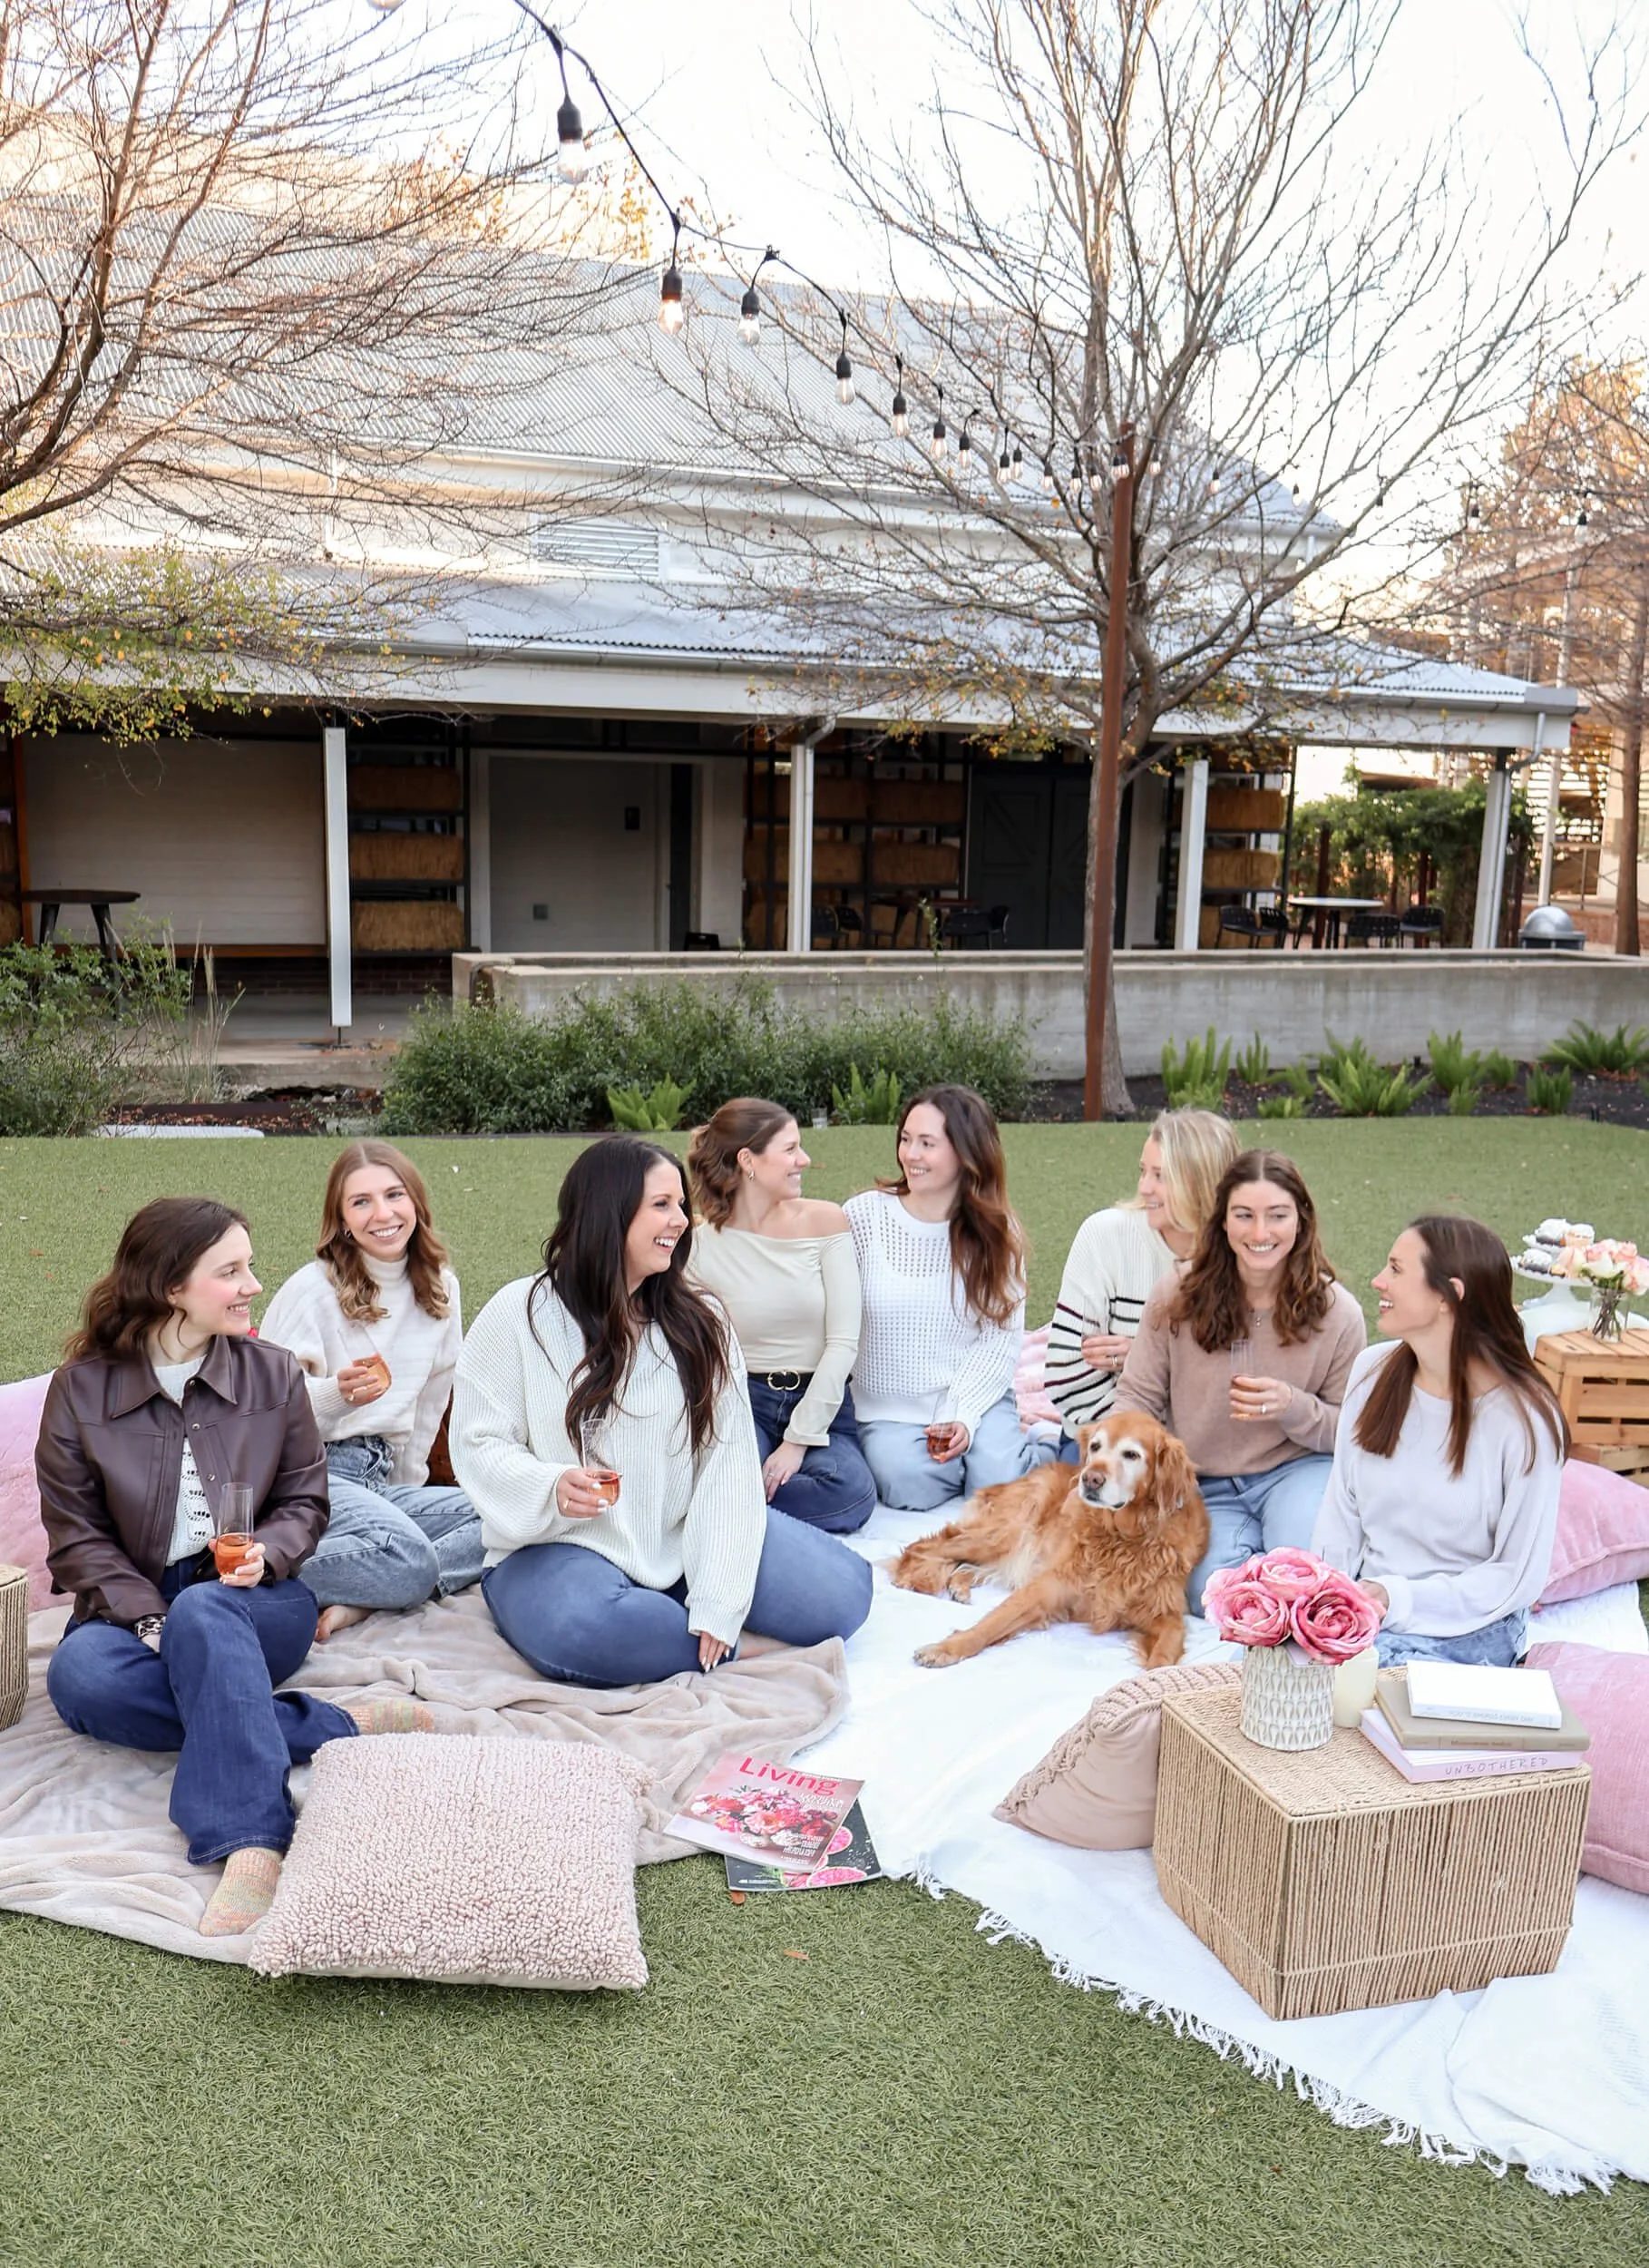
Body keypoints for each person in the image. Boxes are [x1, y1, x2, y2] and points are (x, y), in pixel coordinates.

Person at [36, 1198, 427, 1940]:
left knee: (206, 1610)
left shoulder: (271, 1375)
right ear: (171, 1286)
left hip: (257, 1602)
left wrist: (269, 1555)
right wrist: (145, 1613)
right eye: (231, 1272)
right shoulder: (82, 1390)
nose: (253, 1285)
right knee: (80, 1680)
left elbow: (305, 1503)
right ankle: (322, 1724)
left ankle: (250, 1841)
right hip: (132, 1606)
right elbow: (76, 1536)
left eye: (249, 1266)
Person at [450, 1137, 873, 1688]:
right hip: (558, 1545)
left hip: (681, 1531)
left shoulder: (703, 1320)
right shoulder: (518, 1313)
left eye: (680, 1204)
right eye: (661, 1205)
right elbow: (479, 1443)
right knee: (596, 1629)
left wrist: (720, 1595)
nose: (681, 1220)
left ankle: (690, 1621)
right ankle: (689, 1635)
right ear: (608, 1211)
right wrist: (550, 1485)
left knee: (843, 1595)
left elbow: (727, 1463)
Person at [1312, 1215, 1567, 1667]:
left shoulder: (1526, 1420)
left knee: (1369, 1707)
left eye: (1395, 1269)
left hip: (1470, 1629)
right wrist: (1322, 1605)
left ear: (1449, 1295)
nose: (1377, 1281)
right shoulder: (1371, 1372)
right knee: (1270, 1673)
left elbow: (1516, 1578)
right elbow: (1341, 1514)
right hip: (1368, 1615)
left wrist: (1395, 1597)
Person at [1119, 1149, 1366, 1613]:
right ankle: (1250, 1558)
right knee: (1206, 1596)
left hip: (1296, 1471)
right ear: (1223, 1222)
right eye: (1244, 1216)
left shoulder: (1339, 1313)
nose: (1260, 1233)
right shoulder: (1176, 1295)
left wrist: (1294, 1406)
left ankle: (1278, 1555)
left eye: (1277, 1216)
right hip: (1204, 1482)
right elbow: (1137, 1396)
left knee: (1306, 1577)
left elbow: (1349, 1432)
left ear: (1301, 1221)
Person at [259, 1139, 482, 1640]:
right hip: (310, 1474)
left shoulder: (442, 1286)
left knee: (507, 1521)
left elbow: (430, 1403)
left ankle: (372, 1593)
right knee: (410, 1557)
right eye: (361, 1202)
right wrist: (336, 1396)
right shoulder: (312, 1289)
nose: (383, 1214)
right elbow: (262, 1411)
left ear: (416, 1204)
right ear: (340, 1219)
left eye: (394, 1195)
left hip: (381, 1477)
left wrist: (409, 1493)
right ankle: (257, 1566)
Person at [844, 1084, 1053, 1513]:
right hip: (889, 1410)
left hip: (973, 1394)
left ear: (964, 1152)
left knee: (999, 1489)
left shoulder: (997, 1232)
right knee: (908, 1483)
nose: (910, 1155)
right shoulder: (863, 1217)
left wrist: (964, 1415)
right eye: (906, 1139)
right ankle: (982, 1461)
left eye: (927, 1144)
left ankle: (1043, 1449)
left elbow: (1000, 1339)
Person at [685, 1099, 875, 1534]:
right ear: (748, 1160)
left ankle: (723, 1514)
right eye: (790, 1149)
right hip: (740, 1402)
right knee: (711, 1473)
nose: (804, 1160)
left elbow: (844, 1342)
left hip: (821, 1399)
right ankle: (723, 1505)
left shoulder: (826, 1222)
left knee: (852, 1491)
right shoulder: (699, 1244)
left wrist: (796, 1441)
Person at [1044, 1109, 1239, 1444]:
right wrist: (1139, 1445)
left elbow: (1237, 1383)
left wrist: (1144, 1357)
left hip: (1207, 1451)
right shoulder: (1104, 1235)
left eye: (1161, 1176)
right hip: (1105, 1442)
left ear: (1203, 1183)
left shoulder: (1243, 1253)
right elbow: (1067, 1374)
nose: (1144, 1187)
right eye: (1143, 1171)